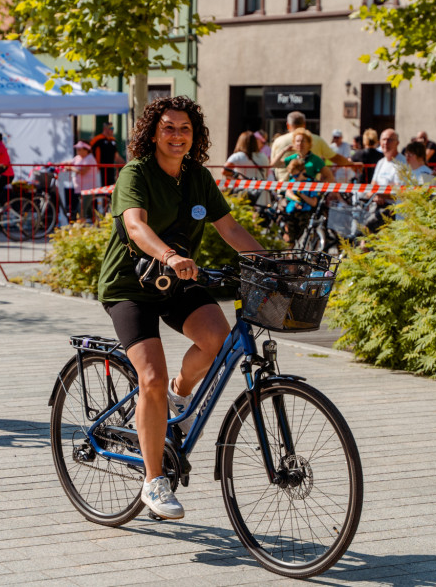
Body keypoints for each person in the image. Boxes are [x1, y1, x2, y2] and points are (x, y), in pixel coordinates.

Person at [97, 95, 263, 520]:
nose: (176, 135)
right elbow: (135, 225)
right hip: (131, 286)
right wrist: (169, 255)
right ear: (154, 133)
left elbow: (228, 227)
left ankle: (179, 395)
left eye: (184, 129)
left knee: (219, 343)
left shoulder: (197, 178)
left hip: (180, 280)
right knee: (148, 376)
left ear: (195, 136)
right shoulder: (136, 173)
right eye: (168, 127)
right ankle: (154, 481)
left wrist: (272, 264)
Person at [268, 111, 353, 180]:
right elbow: (335, 158)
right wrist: (351, 164)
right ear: (304, 124)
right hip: (289, 192)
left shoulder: (278, 141)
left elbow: (329, 175)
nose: (299, 144)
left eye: (303, 142)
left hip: (308, 194)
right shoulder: (317, 140)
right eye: (297, 142)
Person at [365, 129, 408, 233]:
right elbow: (371, 188)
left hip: (394, 210)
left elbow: (398, 191)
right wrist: (376, 195)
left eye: (389, 140)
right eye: (383, 140)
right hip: (377, 207)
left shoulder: (402, 163)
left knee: (365, 232)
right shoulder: (381, 162)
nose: (385, 143)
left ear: (397, 143)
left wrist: (379, 194)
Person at [282, 157, 318, 243]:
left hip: (304, 215)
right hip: (291, 213)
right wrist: (297, 199)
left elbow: (313, 202)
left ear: (304, 172)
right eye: (292, 176)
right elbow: (288, 193)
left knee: (303, 237)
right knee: (290, 239)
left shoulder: (310, 183)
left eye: (296, 175)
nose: (294, 178)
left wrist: (301, 195)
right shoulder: (292, 182)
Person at [66, 140, 100, 222]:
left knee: (81, 209)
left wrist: (70, 168)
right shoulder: (78, 158)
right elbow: (68, 162)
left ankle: (80, 229)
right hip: (81, 188)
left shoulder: (90, 158)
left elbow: (82, 172)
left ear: (86, 150)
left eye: (79, 149)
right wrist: (55, 164)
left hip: (89, 188)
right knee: (88, 209)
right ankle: (99, 224)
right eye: (77, 149)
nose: (77, 151)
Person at [91, 121, 125, 187]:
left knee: (110, 187)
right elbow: (89, 152)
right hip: (100, 169)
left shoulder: (113, 140)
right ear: (105, 129)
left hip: (110, 168)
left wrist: (125, 164)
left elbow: (116, 155)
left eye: (113, 128)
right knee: (101, 188)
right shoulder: (97, 139)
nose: (112, 130)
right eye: (111, 128)